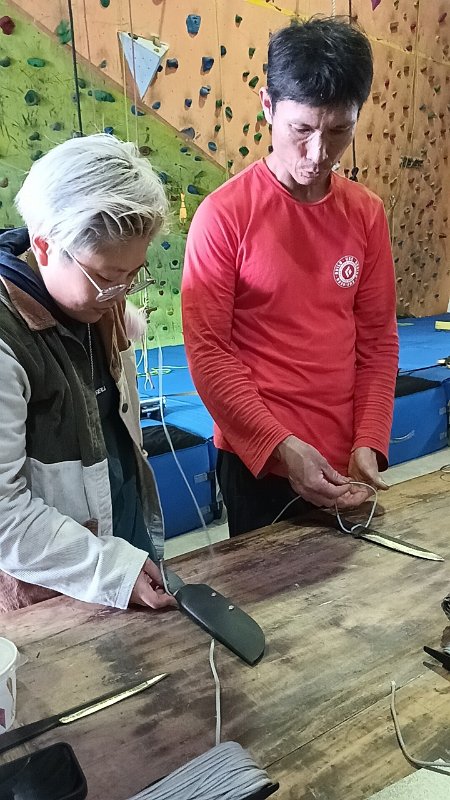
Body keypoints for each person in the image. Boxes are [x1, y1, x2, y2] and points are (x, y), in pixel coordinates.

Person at [182, 17, 399, 537]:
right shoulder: (224, 216)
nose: (318, 154)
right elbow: (209, 353)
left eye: (339, 131)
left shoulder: (366, 213)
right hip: (261, 463)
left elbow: (377, 340)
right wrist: (280, 446)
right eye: (301, 130)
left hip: (346, 459)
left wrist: (370, 438)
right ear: (268, 106)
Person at [0, 133, 177, 611]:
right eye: (106, 277)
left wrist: (128, 561)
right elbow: (4, 519)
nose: (119, 294)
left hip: (124, 538)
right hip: (58, 587)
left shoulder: (95, 299)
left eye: (132, 274)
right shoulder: (6, 341)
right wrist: (113, 571)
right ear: (43, 246)